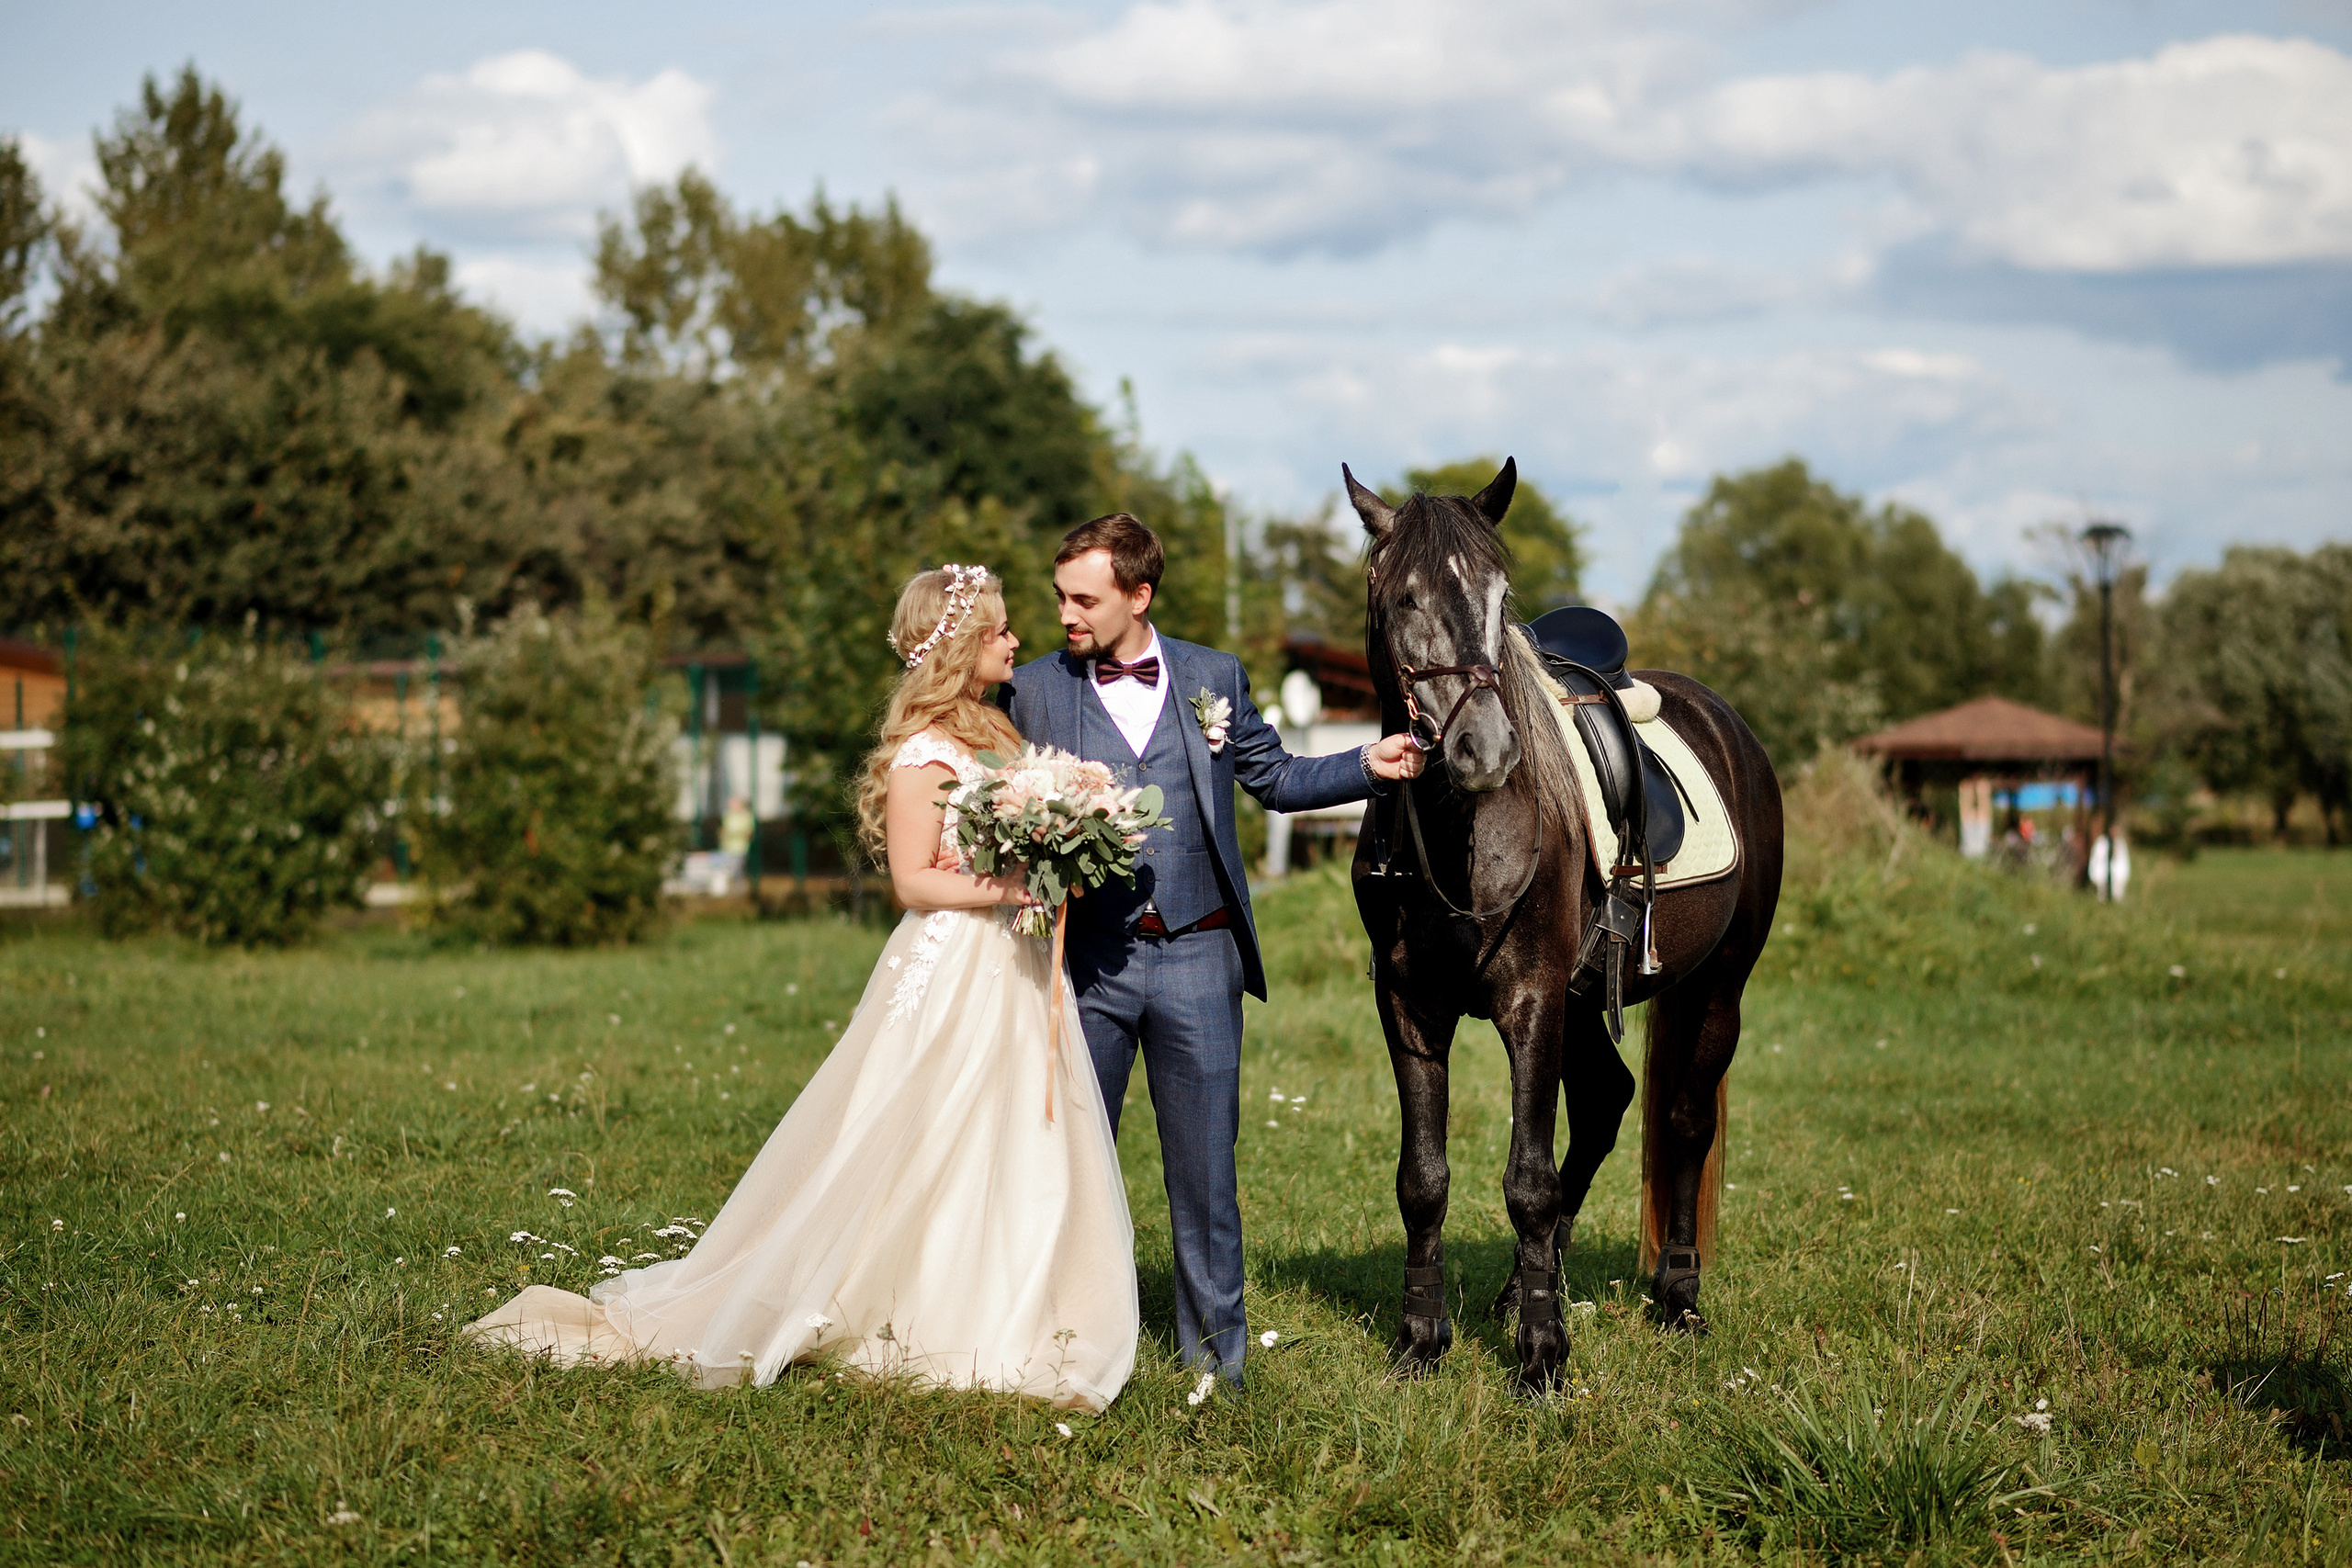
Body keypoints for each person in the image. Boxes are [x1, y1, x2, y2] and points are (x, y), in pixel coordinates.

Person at [464, 566, 1138, 1412]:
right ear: (962, 645)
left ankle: (1005, 1293)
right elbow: (915, 881)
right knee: (925, 1127)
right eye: (999, 630)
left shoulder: (996, 736)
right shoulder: (926, 753)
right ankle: (898, 1298)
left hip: (1014, 963)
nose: (1014, 640)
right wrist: (1020, 890)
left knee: (1005, 1129)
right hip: (954, 962)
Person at [997, 513, 1425, 1389]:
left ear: (1138, 594)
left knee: (1206, 1177)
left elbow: (1274, 780)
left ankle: (1216, 1365)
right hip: (1088, 965)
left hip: (1200, 954)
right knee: (1072, 1163)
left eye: (1085, 597)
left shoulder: (1212, 675)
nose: (1067, 614)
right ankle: (1063, 1344)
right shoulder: (1034, 690)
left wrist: (1368, 763)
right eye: (1060, 598)